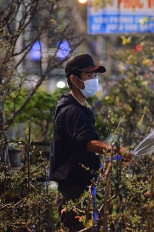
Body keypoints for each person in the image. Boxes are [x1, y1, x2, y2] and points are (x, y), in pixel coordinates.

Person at [49, 53, 133, 231]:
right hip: (72, 191)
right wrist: (117, 151)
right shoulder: (72, 111)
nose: (93, 80)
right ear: (74, 78)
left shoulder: (78, 108)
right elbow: (88, 143)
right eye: (88, 76)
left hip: (80, 187)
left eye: (94, 76)